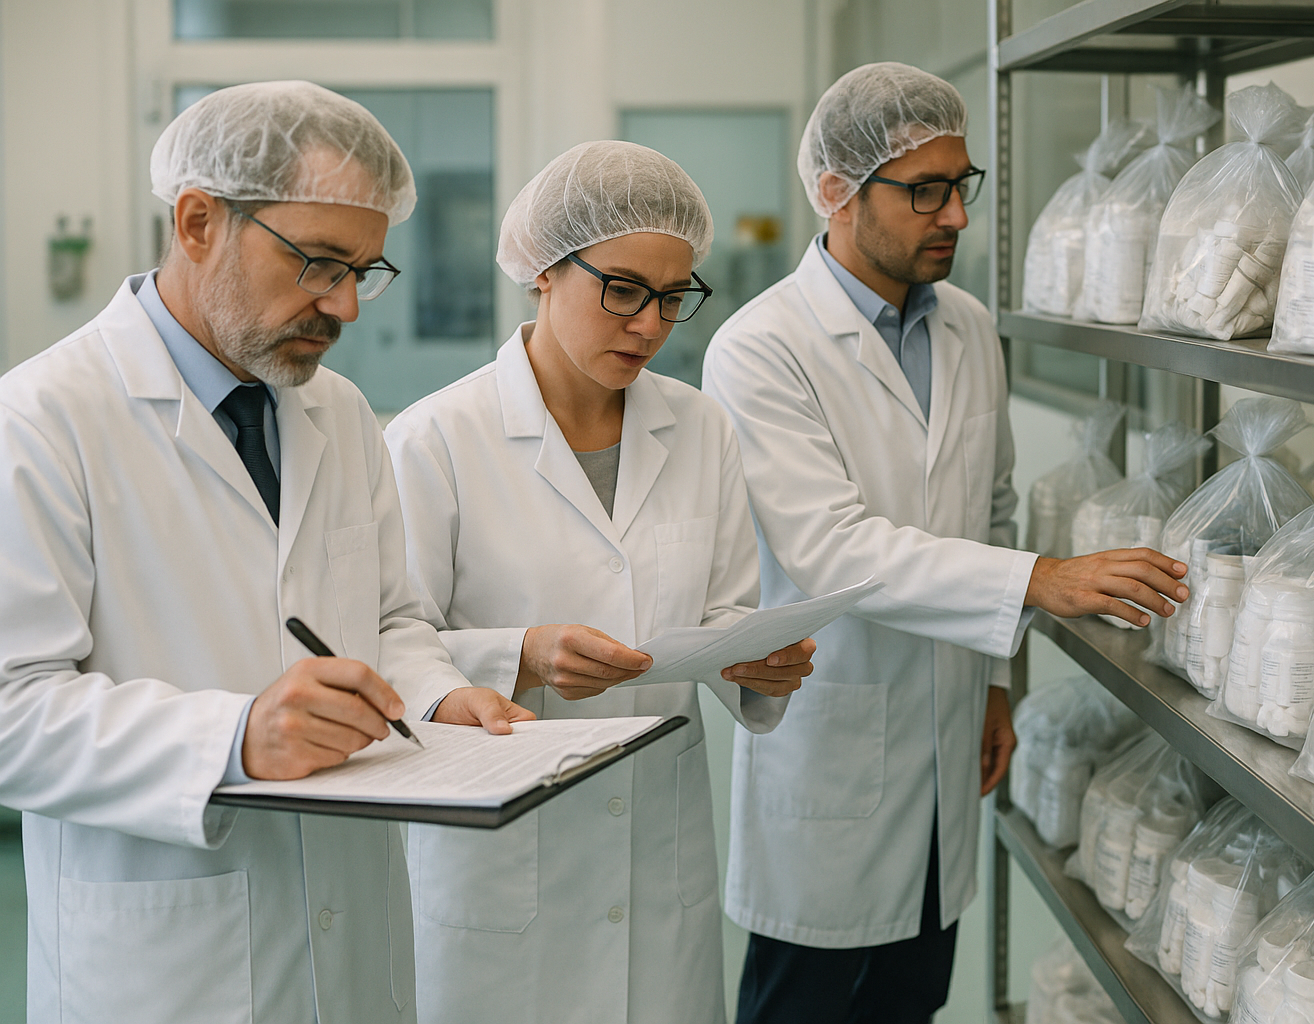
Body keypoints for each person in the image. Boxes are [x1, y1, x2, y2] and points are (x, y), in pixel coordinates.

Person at [0, 80, 529, 1024]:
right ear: (199, 222)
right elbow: (10, 709)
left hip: (351, 928)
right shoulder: (42, 420)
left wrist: (440, 691)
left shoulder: (340, 410)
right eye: (320, 264)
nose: (347, 307)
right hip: (167, 961)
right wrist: (233, 739)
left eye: (365, 271)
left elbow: (391, 617)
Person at [702, 62, 1190, 1024]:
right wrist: (1043, 581)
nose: (956, 216)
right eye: (923, 190)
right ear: (839, 192)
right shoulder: (761, 347)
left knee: (911, 1002)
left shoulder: (968, 327)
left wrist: (998, 685)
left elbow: (994, 504)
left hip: (948, 741)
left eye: (959, 186)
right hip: (832, 751)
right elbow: (832, 547)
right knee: (800, 1006)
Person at [386, 140, 816, 1024]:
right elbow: (393, 639)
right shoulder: (438, 437)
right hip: (499, 850)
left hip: (654, 852)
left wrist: (753, 658)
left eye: (673, 298)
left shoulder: (701, 428)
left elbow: (726, 608)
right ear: (545, 271)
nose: (650, 325)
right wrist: (522, 657)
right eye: (622, 290)